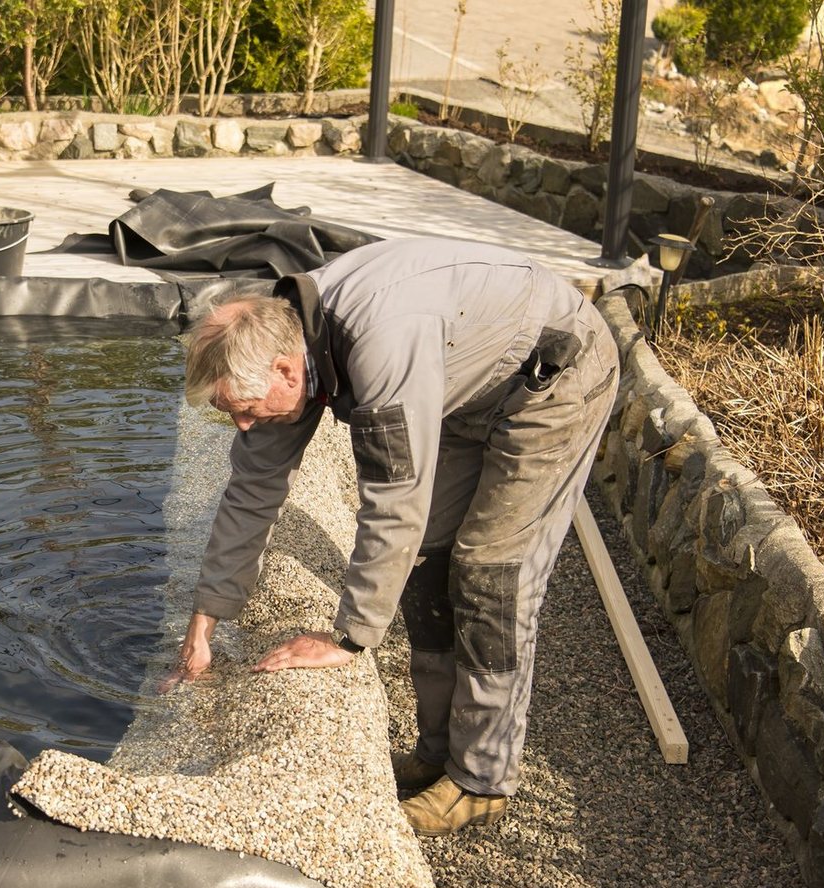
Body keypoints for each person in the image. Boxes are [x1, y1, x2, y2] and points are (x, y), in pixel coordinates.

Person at [164, 237, 619, 837]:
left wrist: (349, 638)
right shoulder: (287, 343)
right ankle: (435, 752)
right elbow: (250, 493)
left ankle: (480, 780)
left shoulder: (377, 345)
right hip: (465, 383)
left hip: (552, 377)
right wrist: (204, 626)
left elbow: (393, 503)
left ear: (283, 370)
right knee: (429, 556)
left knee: (490, 571)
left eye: (244, 409)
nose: (243, 424)